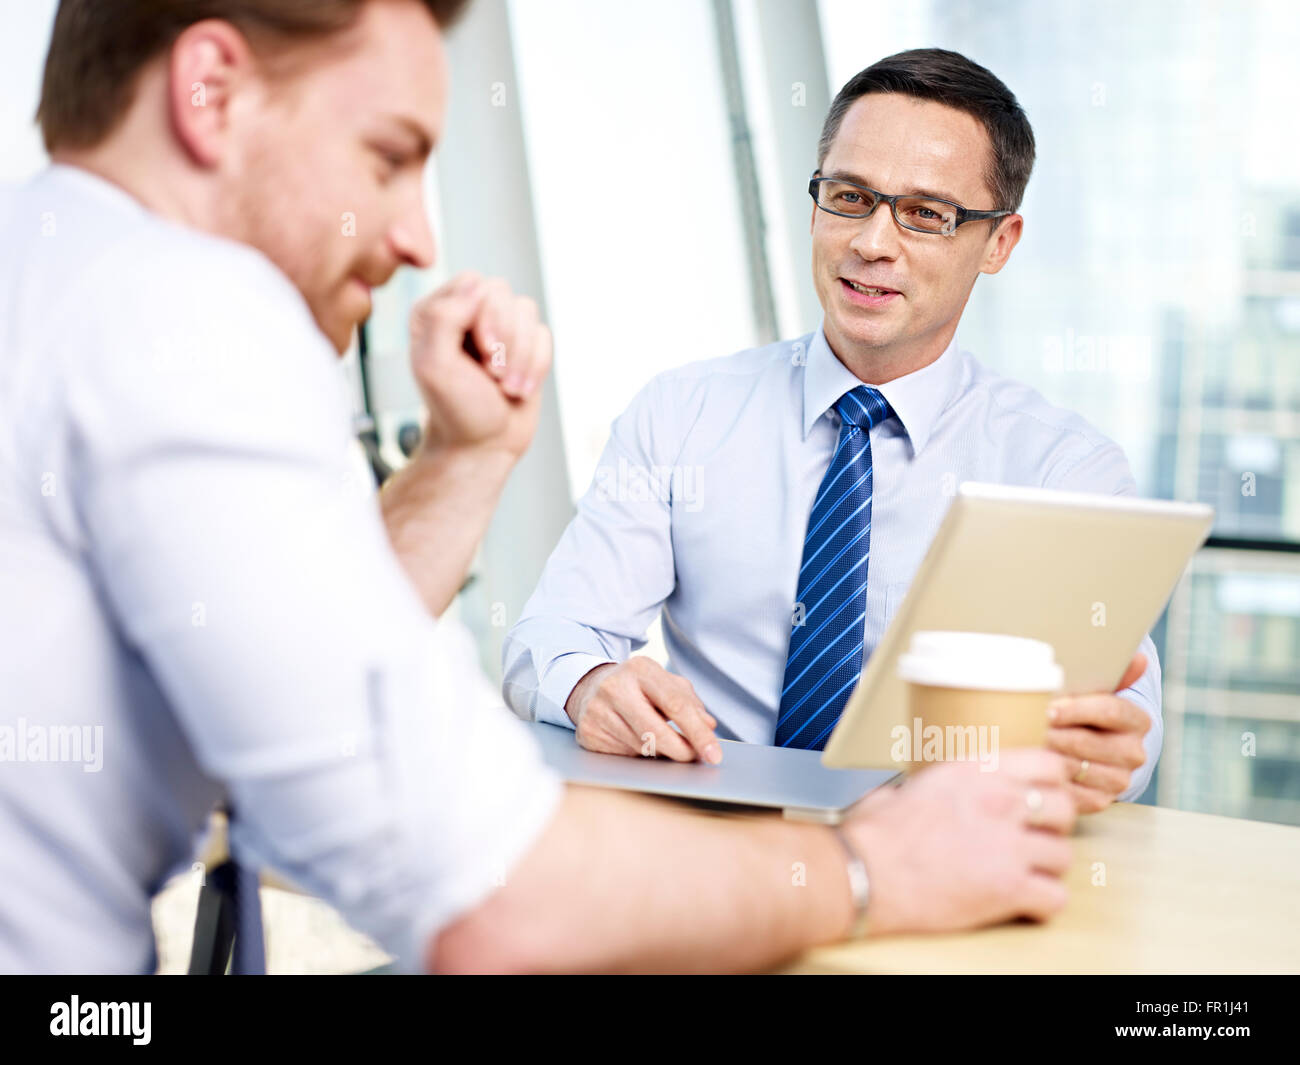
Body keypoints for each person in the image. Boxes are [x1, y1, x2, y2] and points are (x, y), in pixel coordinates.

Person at [0, 1, 1079, 975]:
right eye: (386, 157)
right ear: (210, 92)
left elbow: (286, 688)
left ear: (998, 243)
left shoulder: (54, 280)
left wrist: (462, 461)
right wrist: (865, 871)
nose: (416, 234)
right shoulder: (188, 324)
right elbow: (488, 893)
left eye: (926, 213)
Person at [503, 48, 1159, 813]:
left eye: (926, 214)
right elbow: (546, 639)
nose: (872, 242)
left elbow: (1129, 726)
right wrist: (592, 686)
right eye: (850, 196)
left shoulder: (1064, 471)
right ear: (816, 206)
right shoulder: (681, 416)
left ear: (1000, 242)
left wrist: (1103, 754)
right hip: (709, 854)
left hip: (944, 856)